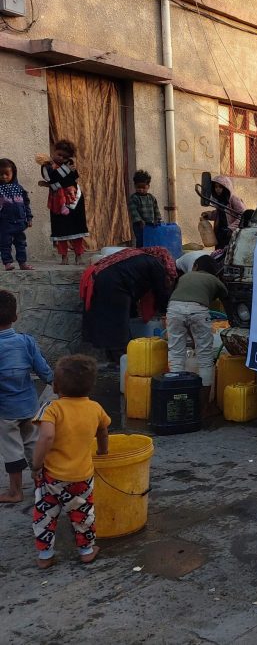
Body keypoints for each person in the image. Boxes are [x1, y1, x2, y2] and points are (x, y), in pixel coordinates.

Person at [31, 354, 111, 568]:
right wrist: (103, 452)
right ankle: (86, 550)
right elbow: (103, 432)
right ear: (90, 387)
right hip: (81, 477)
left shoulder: (51, 408)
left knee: (45, 514)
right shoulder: (95, 408)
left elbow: (46, 437)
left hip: (51, 477)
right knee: (82, 513)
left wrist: (36, 465)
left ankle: (45, 556)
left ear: (56, 386)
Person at [0, 290, 54, 503]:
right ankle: (45, 483)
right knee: (33, 442)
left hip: (5, 411)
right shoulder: (26, 341)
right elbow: (44, 370)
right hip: (29, 406)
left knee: (11, 449)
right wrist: (55, 384)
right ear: (15, 316)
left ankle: (15, 492)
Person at [80, 247, 176, 362]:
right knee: (118, 324)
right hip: (115, 285)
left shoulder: (136, 254)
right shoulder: (157, 265)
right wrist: (166, 310)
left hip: (100, 279)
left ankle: (113, 357)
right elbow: (160, 291)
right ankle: (121, 359)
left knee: (108, 320)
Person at [167, 255, 228, 407]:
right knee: (205, 357)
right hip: (199, 311)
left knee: (176, 354)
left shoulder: (185, 277)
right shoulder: (214, 280)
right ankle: (204, 407)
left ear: (195, 266)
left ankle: (177, 402)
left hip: (174, 309)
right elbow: (227, 297)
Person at [37, 140, 88, 265]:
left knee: (77, 228)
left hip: (74, 198)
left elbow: (73, 179)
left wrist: (54, 184)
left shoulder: (70, 163)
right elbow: (50, 178)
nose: (61, 158)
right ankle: (64, 257)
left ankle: (78, 256)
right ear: (54, 151)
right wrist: (64, 172)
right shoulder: (46, 165)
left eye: (65, 157)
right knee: (60, 229)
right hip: (57, 202)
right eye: (59, 154)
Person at [0, 158, 34, 271]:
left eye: (7, 174)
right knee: (5, 244)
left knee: (21, 244)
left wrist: (29, 217)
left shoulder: (19, 189)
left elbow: (26, 204)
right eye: (1, 174)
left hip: (19, 222)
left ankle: (22, 263)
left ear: (13, 173)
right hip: (5, 223)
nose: (4, 177)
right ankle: (7, 263)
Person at [200, 176, 246, 249]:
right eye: (216, 187)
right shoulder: (219, 201)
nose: (218, 189)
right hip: (220, 233)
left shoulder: (234, 200)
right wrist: (209, 215)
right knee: (219, 254)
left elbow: (243, 216)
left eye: (220, 187)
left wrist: (231, 229)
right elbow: (219, 214)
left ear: (226, 188)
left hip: (230, 234)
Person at [128, 170, 161, 248]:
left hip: (152, 225)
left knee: (151, 241)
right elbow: (133, 211)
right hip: (139, 226)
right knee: (141, 241)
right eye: (138, 187)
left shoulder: (152, 198)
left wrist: (158, 219)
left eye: (143, 187)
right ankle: (140, 255)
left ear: (148, 186)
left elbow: (156, 209)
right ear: (135, 186)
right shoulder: (134, 198)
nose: (141, 189)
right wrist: (139, 221)